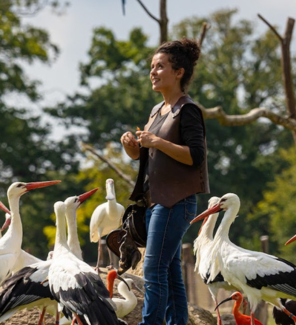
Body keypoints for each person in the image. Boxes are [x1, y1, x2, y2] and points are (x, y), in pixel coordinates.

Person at [120, 38, 209, 325]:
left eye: (160, 66)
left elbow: (196, 156)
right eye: (152, 67)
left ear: (179, 72)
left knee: (153, 269)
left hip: (176, 203)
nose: (153, 72)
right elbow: (148, 159)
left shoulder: (188, 110)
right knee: (169, 274)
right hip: (154, 202)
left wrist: (156, 141)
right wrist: (133, 148)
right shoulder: (156, 111)